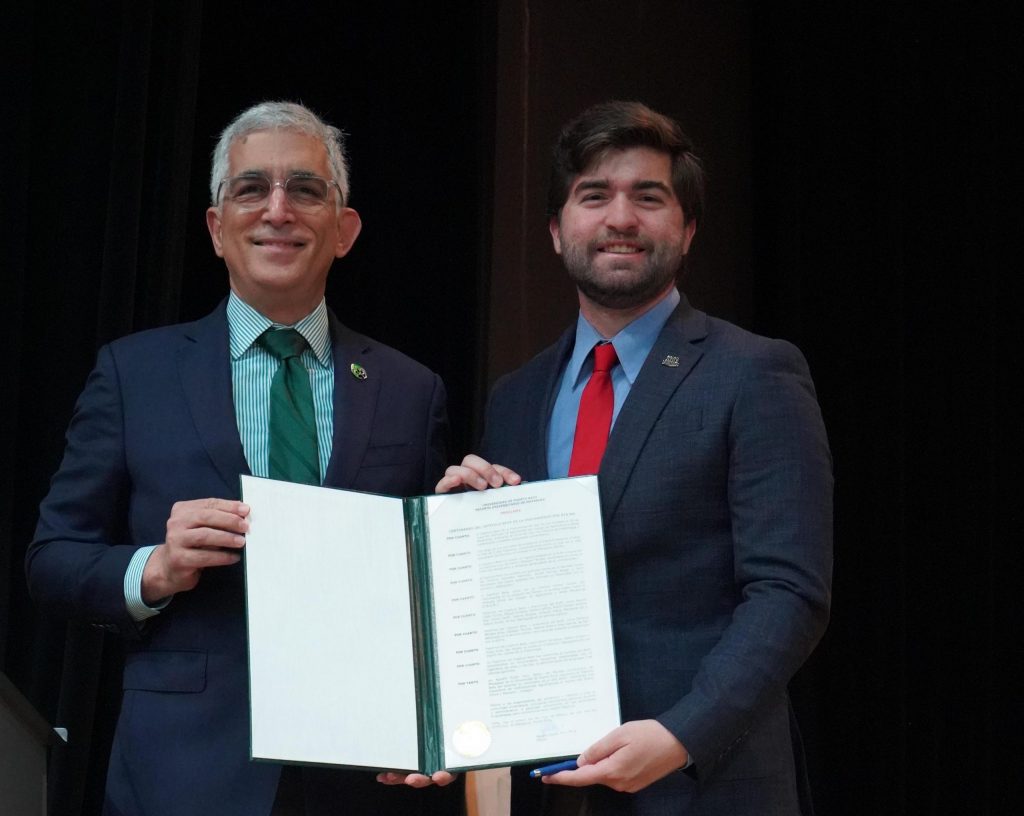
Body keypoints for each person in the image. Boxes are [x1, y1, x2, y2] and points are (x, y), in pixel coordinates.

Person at [27, 101, 460, 816]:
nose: (278, 210)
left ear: (345, 231)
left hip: (359, 776)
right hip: (182, 773)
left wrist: (470, 520)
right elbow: (53, 557)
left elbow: (423, 591)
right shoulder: (135, 375)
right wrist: (154, 569)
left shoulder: (411, 390)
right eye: (251, 188)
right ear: (216, 227)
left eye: (306, 190)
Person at [437, 100, 833, 815]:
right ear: (558, 232)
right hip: (551, 790)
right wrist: (466, 535)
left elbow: (789, 593)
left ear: (686, 229)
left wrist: (682, 734)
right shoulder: (516, 397)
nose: (620, 218)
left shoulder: (756, 374)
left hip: (706, 783)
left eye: (648, 197)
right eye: (594, 196)